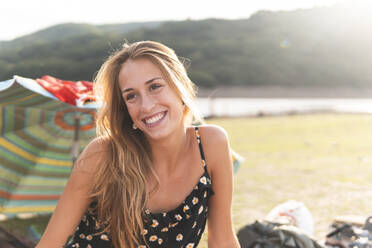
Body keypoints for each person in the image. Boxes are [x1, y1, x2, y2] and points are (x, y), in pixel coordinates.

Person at [36, 41, 240, 248]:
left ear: (180, 86)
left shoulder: (210, 144)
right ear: (124, 108)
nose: (147, 106)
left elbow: (223, 240)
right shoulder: (102, 155)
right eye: (131, 96)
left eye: (155, 87)